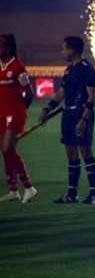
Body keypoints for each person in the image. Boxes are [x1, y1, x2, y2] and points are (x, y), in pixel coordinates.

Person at [40, 36, 95, 204]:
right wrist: (47, 108)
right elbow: (62, 93)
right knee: (71, 154)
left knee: (86, 152)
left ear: (72, 50)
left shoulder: (87, 68)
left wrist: (83, 119)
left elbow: (91, 97)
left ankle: (94, 194)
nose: (62, 52)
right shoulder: (69, 70)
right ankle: (72, 194)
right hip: (67, 115)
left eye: (64, 48)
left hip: (81, 114)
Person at [0, 33, 37, 203]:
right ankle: (13, 190)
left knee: (8, 148)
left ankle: (29, 187)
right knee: (6, 151)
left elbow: (29, 93)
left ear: (8, 47)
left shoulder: (18, 67)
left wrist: (21, 111)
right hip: (1, 113)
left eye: (1, 45)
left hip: (15, 113)